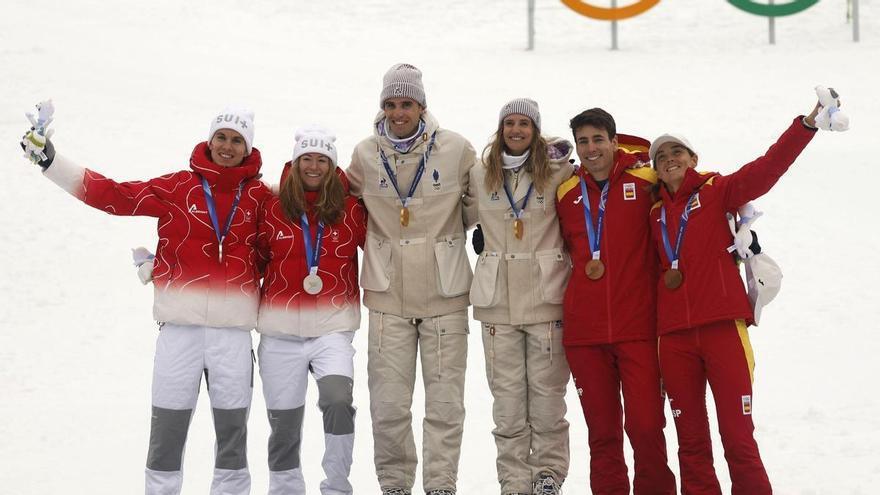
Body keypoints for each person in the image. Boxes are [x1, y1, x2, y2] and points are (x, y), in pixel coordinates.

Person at [20, 105, 271, 494]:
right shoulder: (177, 187)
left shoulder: (261, 197)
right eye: (221, 136)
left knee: (232, 439)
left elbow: (304, 218)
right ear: (209, 140)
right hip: (179, 335)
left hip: (233, 339)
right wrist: (51, 161)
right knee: (166, 435)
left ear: (247, 147)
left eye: (237, 140)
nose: (227, 145)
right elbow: (114, 195)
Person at [648, 99, 821, 494]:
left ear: (693, 157)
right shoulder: (652, 213)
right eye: (661, 156)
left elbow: (769, 167)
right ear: (655, 169)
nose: (670, 159)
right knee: (690, 445)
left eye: (677, 151)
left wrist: (806, 125)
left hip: (723, 330)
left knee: (738, 438)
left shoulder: (719, 190)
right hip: (673, 339)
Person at [346, 63, 476, 495]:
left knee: (444, 405)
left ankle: (441, 485)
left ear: (422, 105)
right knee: (388, 406)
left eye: (406, 103)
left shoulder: (457, 149)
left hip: (445, 294)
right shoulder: (365, 154)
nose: (398, 112)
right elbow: (334, 201)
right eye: (390, 104)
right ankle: (395, 485)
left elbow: (486, 203)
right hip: (388, 297)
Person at [555, 108, 676, 494]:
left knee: (645, 428)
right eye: (583, 142)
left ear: (613, 140)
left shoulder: (646, 180)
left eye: (598, 140)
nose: (591, 149)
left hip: (638, 328)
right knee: (602, 435)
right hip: (585, 335)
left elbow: (682, 206)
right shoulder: (565, 191)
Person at [467, 98, 573, 495]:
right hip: (498, 302)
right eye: (509, 123)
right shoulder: (481, 174)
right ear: (500, 129)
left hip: (547, 299)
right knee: (507, 402)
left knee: (547, 398)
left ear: (536, 130)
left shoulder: (557, 170)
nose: (515, 130)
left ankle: (549, 474)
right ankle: (513, 480)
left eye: (524, 124)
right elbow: (452, 210)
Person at [255, 126, 366, 495]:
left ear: (332, 165)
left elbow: (389, 249)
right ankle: (285, 489)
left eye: (322, 159)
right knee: (284, 423)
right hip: (280, 332)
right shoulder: (272, 208)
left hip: (333, 329)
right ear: (296, 161)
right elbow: (246, 258)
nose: (313, 166)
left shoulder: (351, 210)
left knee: (337, 401)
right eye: (307, 158)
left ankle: (336, 486)